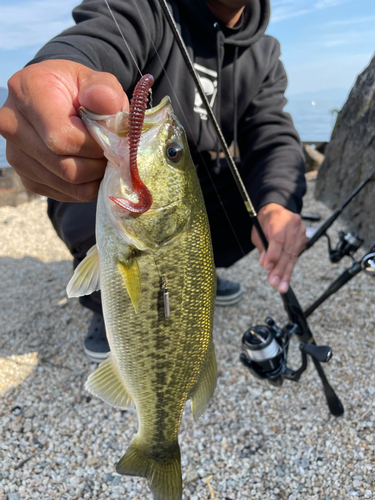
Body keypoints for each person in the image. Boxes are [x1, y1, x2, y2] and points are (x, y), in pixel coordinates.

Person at [0, 0, 308, 362]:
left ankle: (196, 284)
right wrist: (57, 68)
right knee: (98, 193)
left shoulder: (265, 55)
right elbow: (96, 39)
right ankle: (107, 305)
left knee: (256, 203)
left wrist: (277, 202)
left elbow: (272, 133)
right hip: (131, 183)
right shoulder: (145, 7)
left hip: (185, 190)